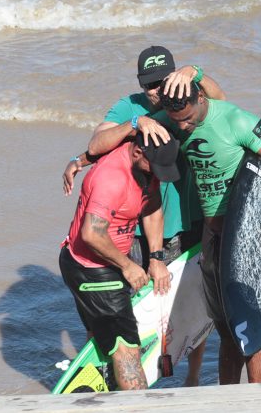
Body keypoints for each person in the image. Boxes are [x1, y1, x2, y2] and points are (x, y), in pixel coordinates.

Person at [61, 45, 225, 386]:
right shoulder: (130, 106)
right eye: (149, 85)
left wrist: (193, 73)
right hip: (137, 227)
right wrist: (135, 123)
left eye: (162, 82)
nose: (156, 92)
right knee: (129, 303)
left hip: (186, 220)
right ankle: (119, 360)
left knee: (192, 302)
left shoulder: (186, 95)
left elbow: (221, 102)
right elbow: (98, 142)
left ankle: (192, 376)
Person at [158, 80, 261, 385]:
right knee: (227, 334)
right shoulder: (175, 120)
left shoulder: (234, 120)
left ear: (201, 98)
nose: (183, 126)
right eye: (176, 120)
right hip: (212, 239)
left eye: (187, 117)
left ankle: (259, 404)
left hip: (244, 241)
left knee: (250, 337)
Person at [59, 132, 179, 390]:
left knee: (104, 340)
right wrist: (127, 265)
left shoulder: (147, 167)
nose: (158, 175)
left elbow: (152, 206)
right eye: (155, 168)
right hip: (92, 269)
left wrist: (156, 258)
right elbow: (91, 233)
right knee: (126, 349)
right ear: (137, 153)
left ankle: (108, 391)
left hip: (106, 263)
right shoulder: (112, 179)